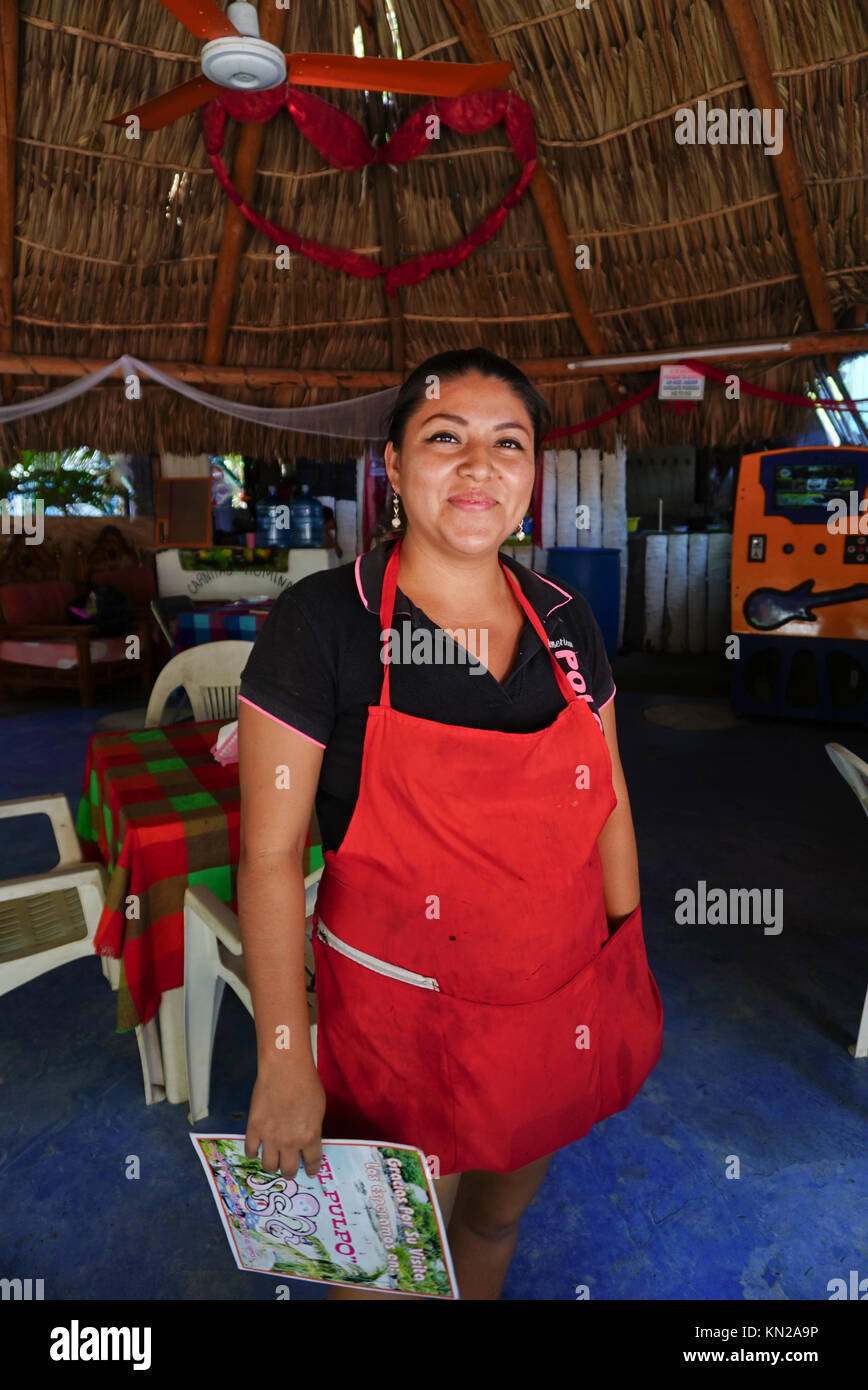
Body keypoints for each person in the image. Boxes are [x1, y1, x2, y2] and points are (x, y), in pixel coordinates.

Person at [236, 347, 663, 1301]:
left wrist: (621, 970)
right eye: (445, 438)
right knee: (383, 1272)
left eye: (507, 443)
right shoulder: (323, 624)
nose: (479, 466)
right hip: (394, 1036)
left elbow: (610, 801)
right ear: (393, 467)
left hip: (549, 1009)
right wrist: (284, 1055)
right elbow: (266, 857)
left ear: (532, 477)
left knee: (494, 1217)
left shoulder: (565, 619)